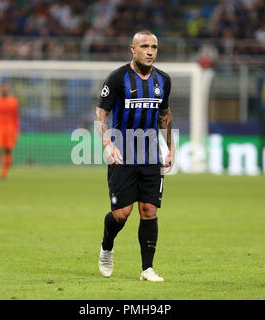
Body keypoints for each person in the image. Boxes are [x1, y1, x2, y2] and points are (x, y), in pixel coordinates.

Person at [95, 30, 174, 282]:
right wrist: (107, 143)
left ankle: (147, 268)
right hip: (122, 155)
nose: (150, 51)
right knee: (121, 214)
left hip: (151, 155)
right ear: (133, 49)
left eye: (154, 47)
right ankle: (107, 247)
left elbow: (165, 115)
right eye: (144, 46)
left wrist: (170, 147)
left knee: (149, 210)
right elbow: (101, 114)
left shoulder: (164, 80)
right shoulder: (117, 78)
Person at [0, 82, 20, 180]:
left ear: (8, 89)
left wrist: (17, 131)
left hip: (10, 129)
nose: (4, 90)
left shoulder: (14, 101)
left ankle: (3, 174)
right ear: (0, 89)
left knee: (8, 151)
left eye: (6, 88)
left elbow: (16, 117)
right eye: (3, 88)